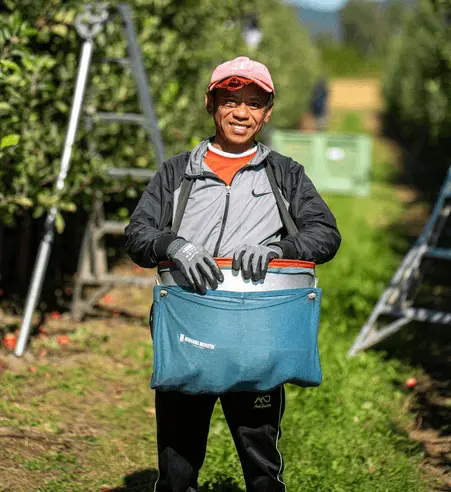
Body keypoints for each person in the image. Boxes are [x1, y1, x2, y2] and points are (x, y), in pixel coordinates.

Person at [125, 56, 341, 492]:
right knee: (178, 464)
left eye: (254, 103)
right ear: (211, 103)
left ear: (267, 112)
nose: (242, 112)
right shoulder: (178, 172)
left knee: (261, 461)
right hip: (191, 332)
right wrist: (173, 244)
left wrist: (279, 249)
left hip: (257, 334)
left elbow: (326, 234)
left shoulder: (285, 174)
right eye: (231, 100)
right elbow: (137, 234)